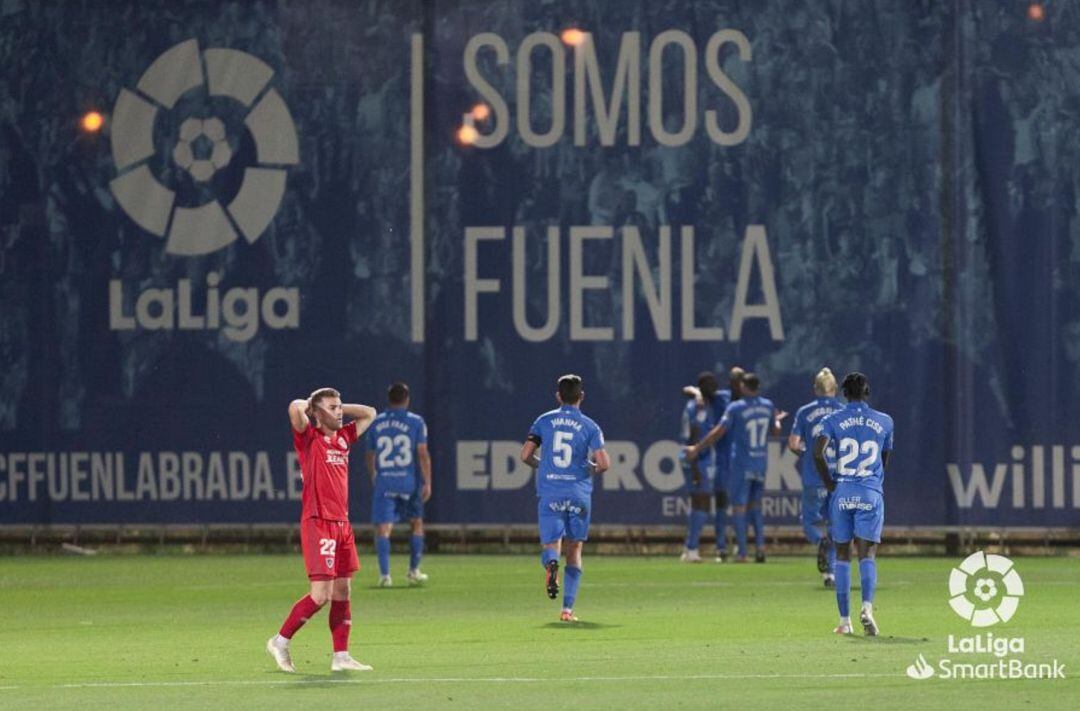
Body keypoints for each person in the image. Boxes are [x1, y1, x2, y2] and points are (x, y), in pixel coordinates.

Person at [267, 388, 377, 673]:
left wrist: (334, 408)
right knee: (320, 595)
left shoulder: (344, 438)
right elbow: (294, 408)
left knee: (343, 590)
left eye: (340, 406)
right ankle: (280, 641)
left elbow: (370, 414)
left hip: (342, 524)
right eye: (333, 407)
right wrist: (314, 406)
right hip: (318, 523)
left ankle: (341, 656)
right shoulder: (308, 439)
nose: (339, 411)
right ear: (316, 413)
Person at [520, 374, 610, 622]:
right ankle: (567, 610)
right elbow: (604, 463)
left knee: (551, 544)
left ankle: (551, 565)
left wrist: (545, 465)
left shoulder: (543, 421)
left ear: (558, 396)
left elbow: (525, 455)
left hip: (550, 492)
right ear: (581, 397)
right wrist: (584, 469)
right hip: (578, 494)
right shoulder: (591, 426)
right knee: (575, 549)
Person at [813, 372, 894, 637]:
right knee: (867, 555)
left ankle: (845, 621)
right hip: (870, 492)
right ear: (867, 392)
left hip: (842, 491)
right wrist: (874, 482)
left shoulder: (832, 419)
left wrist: (830, 483)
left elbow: (817, 452)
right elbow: (884, 458)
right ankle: (868, 608)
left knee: (843, 556)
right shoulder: (885, 421)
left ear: (843, 393)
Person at [687, 373, 785, 563]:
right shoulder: (767, 405)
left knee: (739, 507)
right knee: (755, 506)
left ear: (744, 387)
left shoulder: (736, 407)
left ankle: (742, 553)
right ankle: (760, 548)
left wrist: (698, 448)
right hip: (761, 462)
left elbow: (718, 432)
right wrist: (778, 420)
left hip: (741, 463)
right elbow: (775, 431)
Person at [364, 381, 432, 587]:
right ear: (407, 399)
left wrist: (374, 475)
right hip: (408, 482)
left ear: (389, 399)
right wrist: (427, 482)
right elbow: (422, 454)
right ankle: (413, 571)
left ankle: (385, 576)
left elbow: (370, 454)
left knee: (383, 529)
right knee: (416, 524)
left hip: (385, 482)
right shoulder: (416, 421)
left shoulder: (376, 422)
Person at [681, 367, 744, 562]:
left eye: (739, 381)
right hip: (709, 458)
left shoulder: (741, 402)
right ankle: (702, 547)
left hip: (724, 458)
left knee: (721, 503)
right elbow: (694, 431)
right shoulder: (711, 401)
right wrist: (695, 458)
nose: (736, 385)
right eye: (734, 381)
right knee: (708, 502)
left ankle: (707, 547)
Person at [788, 367, 843, 586]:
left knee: (810, 522)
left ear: (815, 389)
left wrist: (806, 454)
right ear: (835, 388)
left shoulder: (804, 412)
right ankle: (830, 573)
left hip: (814, 475)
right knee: (834, 523)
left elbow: (793, 443)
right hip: (837, 476)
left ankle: (819, 543)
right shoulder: (843, 411)